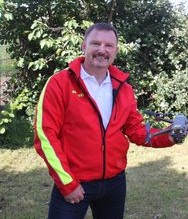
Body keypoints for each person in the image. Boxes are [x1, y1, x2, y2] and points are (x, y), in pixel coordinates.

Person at [34, 23, 176, 219]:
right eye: (96, 43)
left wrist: (170, 135)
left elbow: (136, 130)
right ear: (84, 46)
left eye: (109, 45)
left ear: (115, 51)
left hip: (114, 183)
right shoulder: (60, 83)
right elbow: (45, 136)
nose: (102, 50)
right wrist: (67, 183)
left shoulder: (123, 87)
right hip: (75, 182)